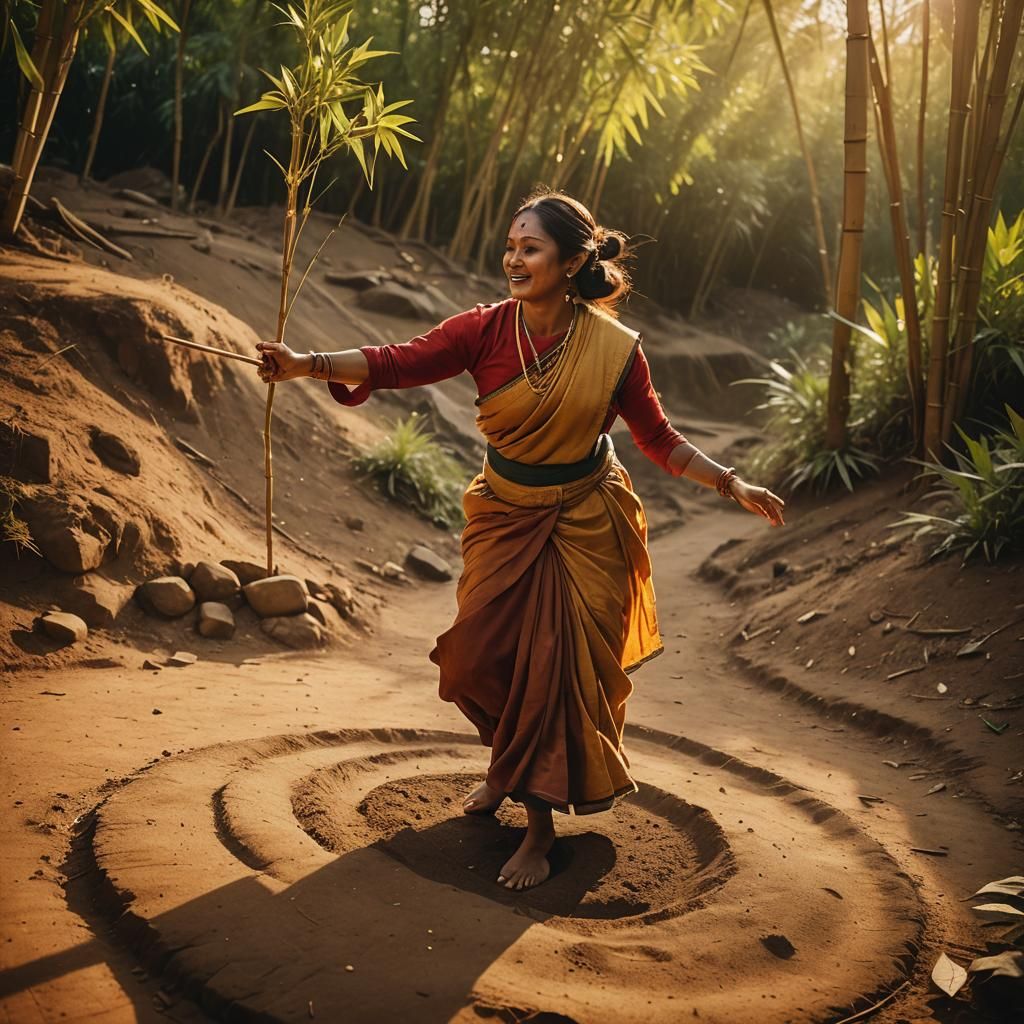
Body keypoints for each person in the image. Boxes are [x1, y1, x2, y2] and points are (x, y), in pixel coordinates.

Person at [256, 188, 785, 892]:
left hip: (586, 524)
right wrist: (306, 363)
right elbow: (396, 361)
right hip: (504, 515)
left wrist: (732, 484)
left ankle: (538, 832)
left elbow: (659, 440)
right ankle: (507, 769)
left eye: (529, 248)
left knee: (552, 675)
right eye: (510, 246)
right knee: (476, 659)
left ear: (570, 263)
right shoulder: (483, 329)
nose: (513, 258)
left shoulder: (616, 350)